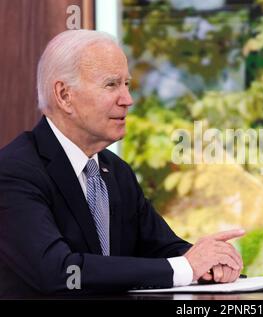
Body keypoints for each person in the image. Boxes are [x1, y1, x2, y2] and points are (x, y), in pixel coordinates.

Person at [0, 30, 244, 298]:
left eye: (126, 84)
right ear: (64, 95)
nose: (127, 99)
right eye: (111, 85)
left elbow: (160, 247)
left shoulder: (116, 171)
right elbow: (59, 272)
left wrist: (207, 262)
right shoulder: (14, 171)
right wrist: (185, 267)